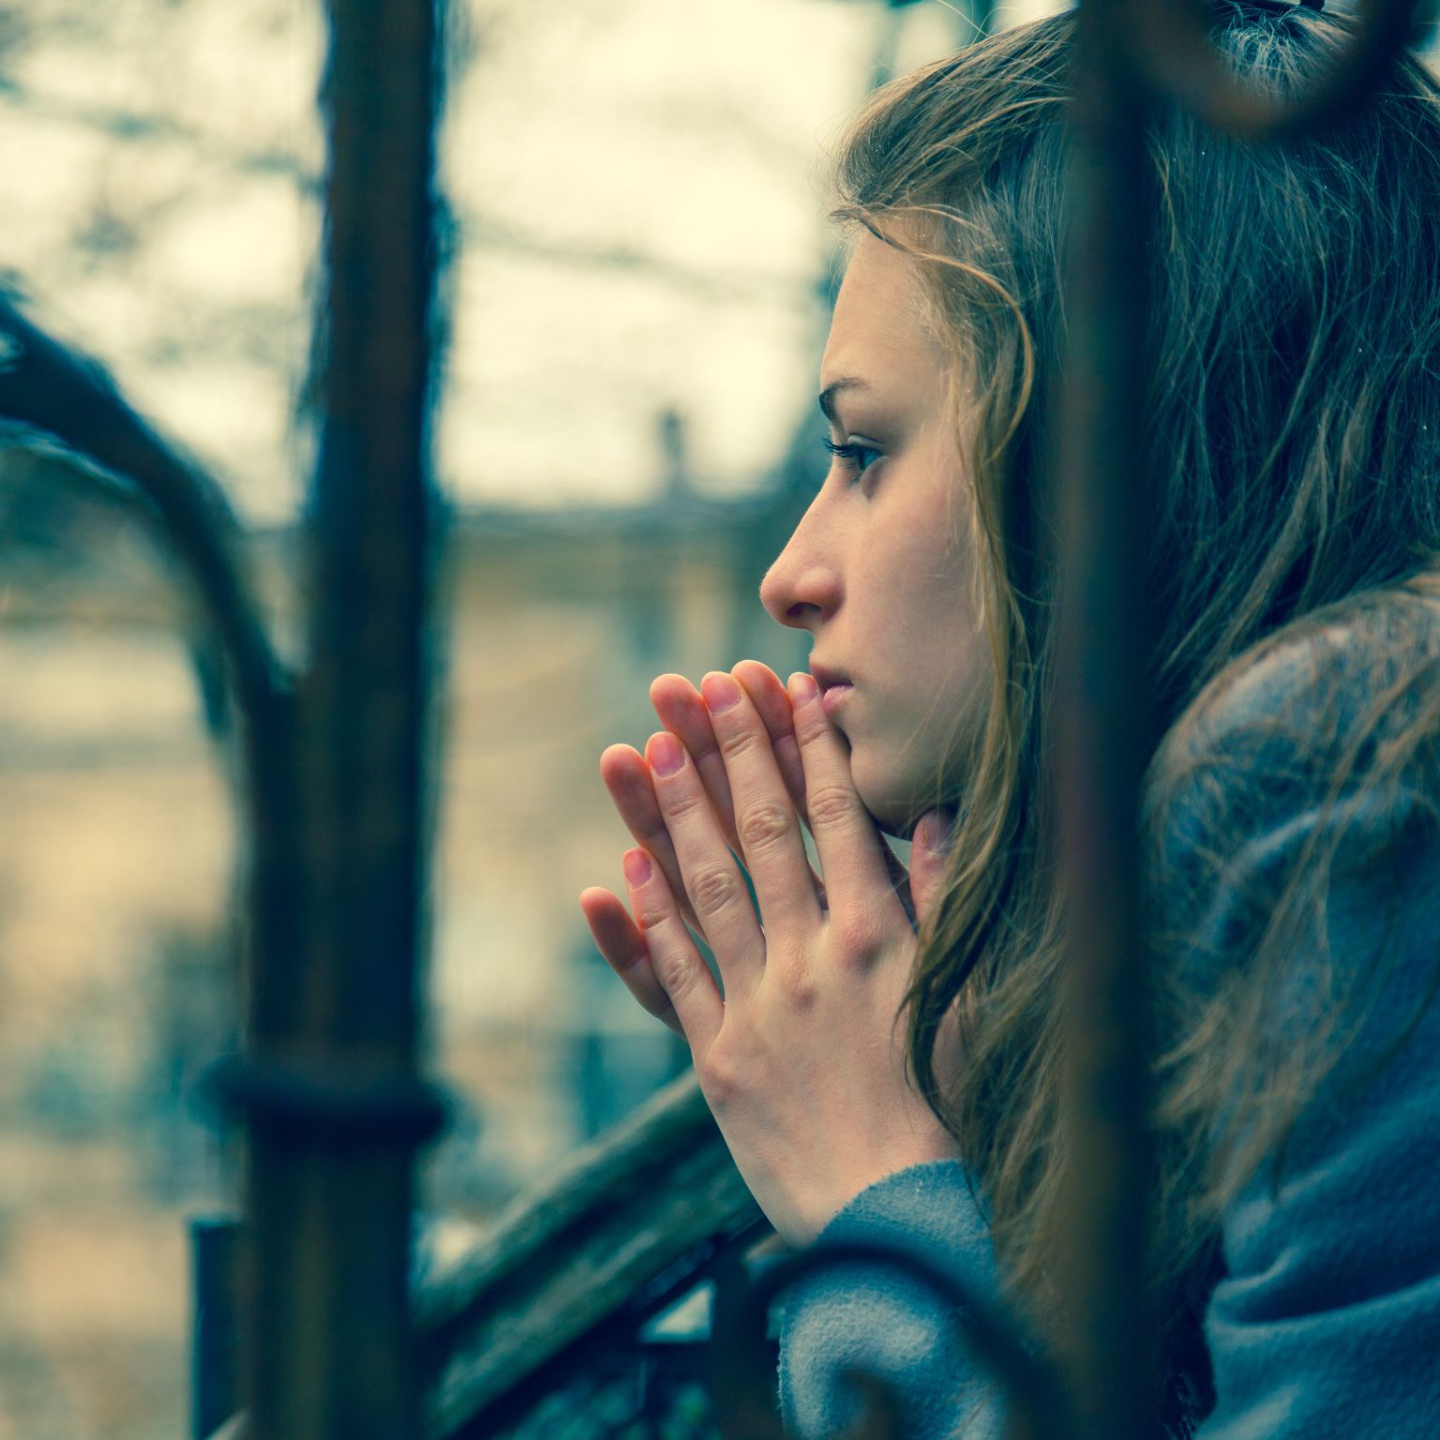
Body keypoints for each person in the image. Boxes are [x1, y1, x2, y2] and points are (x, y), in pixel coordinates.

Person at [578, 4, 1440, 1435]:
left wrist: (880, 1197)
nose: (791, 574)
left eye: (863, 451)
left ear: (1117, 457)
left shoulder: (1339, 774)